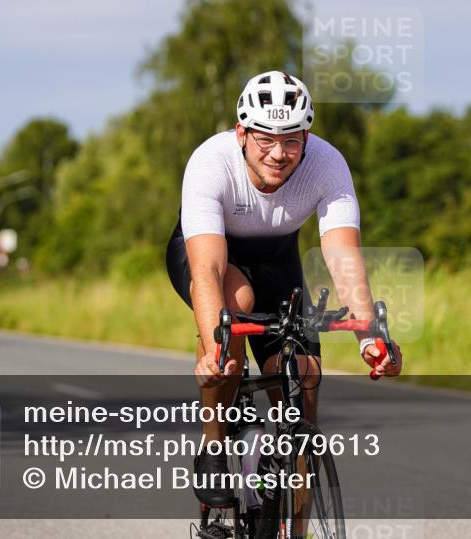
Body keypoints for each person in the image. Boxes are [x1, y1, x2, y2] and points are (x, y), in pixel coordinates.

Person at [166, 70, 403, 506]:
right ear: (241, 133)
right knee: (235, 305)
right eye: (265, 140)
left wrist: (368, 333)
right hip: (214, 259)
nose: (279, 153)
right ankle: (214, 444)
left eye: (292, 140)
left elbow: (342, 256)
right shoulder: (209, 162)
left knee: (304, 384)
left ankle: (294, 527)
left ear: (306, 139)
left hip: (278, 263)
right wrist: (214, 350)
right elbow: (208, 271)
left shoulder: (327, 164)